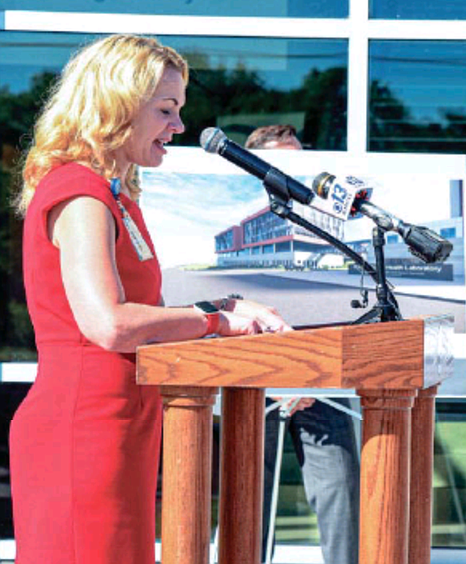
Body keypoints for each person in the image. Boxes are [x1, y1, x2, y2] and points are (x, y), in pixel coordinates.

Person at [10, 34, 291, 564]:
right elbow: (109, 324)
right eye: (166, 110)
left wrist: (228, 307)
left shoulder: (117, 196)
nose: (179, 127)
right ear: (116, 105)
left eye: (178, 110)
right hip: (83, 430)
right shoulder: (80, 191)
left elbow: (148, 309)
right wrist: (216, 322)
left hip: (123, 427)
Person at [246, 125, 360, 564]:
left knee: (342, 493)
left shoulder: (323, 223)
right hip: (252, 382)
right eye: (281, 165)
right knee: (248, 498)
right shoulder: (250, 227)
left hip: (321, 378)